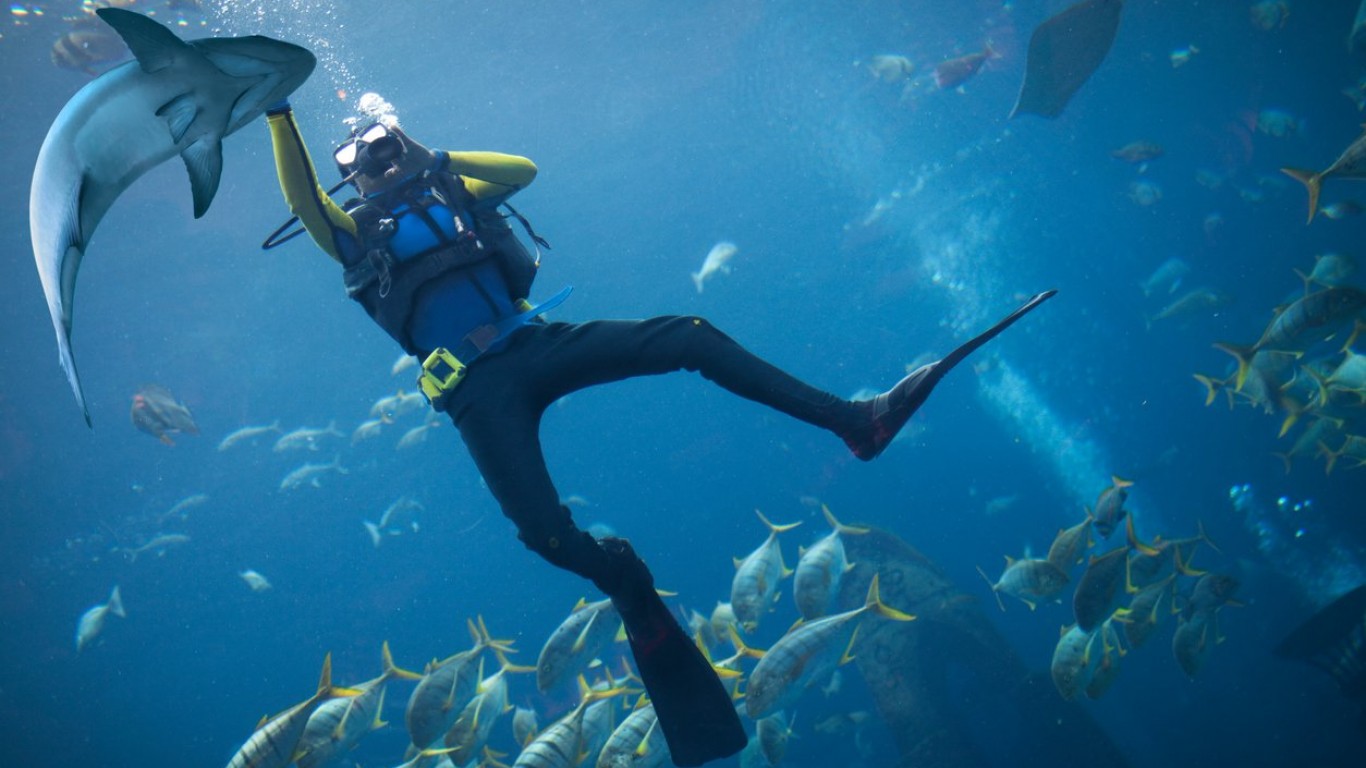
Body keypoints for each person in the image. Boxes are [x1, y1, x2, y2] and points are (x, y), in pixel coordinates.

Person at [263, 97, 1053, 765]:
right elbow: (302, 198)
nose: (377, 165)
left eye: (383, 148)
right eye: (363, 161)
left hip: (533, 343)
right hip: (477, 395)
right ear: (351, 179)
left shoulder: (452, 188)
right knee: (544, 536)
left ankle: (858, 420)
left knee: (688, 335)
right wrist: (276, 110)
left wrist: (430, 158)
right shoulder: (353, 235)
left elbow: (521, 171)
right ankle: (626, 584)